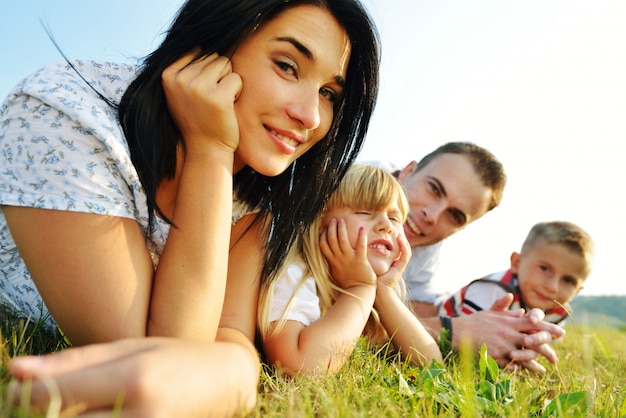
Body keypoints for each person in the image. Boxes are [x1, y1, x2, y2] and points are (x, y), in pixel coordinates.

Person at [1, 0, 381, 415]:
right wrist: (210, 150)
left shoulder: (253, 196)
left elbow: (219, 341)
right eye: (287, 66)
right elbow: (157, 354)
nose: (309, 116)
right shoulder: (66, 112)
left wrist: (237, 367)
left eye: (328, 93)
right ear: (210, 45)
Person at [382, 142, 566, 372]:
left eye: (455, 216)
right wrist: (453, 330)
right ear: (408, 171)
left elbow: (414, 308)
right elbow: (336, 317)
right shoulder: (342, 188)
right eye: (434, 188)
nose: (433, 215)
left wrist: (504, 330)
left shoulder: (424, 244)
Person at [258, 164, 441, 375]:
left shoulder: (375, 289)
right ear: (319, 221)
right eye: (364, 212)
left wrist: (383, 291)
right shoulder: (293, 270)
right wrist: (359, 289)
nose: (385, 225)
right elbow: (299, 369)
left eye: (394, 218)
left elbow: (433, 367)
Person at [437, 221, 594, 329]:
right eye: (545, 269)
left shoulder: (558, 311)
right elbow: (468, 333)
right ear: (517, 263)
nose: (552, 287)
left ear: (578, 291)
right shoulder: (494, 290)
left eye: (568, 280)